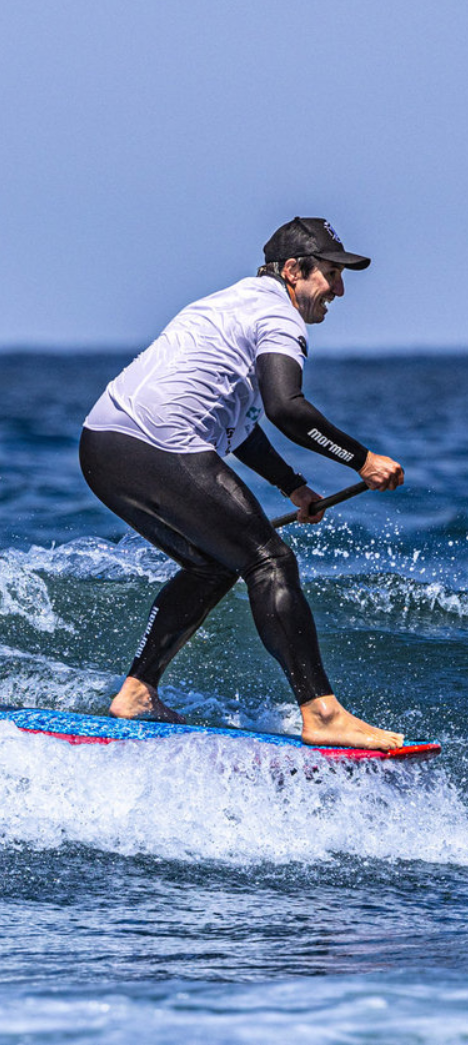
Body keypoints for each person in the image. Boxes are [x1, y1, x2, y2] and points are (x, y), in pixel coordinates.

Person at [79, 217, 405, 750]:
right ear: (293, 270)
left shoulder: (233, 304)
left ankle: (136, 692)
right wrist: (361, 459)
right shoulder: (278, 316)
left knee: (214, 563)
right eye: (330, 274)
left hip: (104, 446)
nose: (339, 290)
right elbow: (286, 409)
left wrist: (292, 486)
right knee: (269, 561)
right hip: (156, 441)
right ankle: (322, 713)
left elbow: (242, 422)